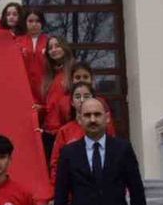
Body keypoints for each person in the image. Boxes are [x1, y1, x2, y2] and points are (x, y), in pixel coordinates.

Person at [49, 82, 117, 187]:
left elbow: (115, 158)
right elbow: (56, 164)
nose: (82, 100)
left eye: (86, 96)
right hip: (74, 190)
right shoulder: (64, 131)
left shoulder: (104, 128)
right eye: (77, 97)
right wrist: (58, 188)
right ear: (72, 102)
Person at [37, 35, 72, 163]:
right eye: (50, 48)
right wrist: (41, 108)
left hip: (66, 131)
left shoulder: (73, 71)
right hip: (49, 131)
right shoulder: (50, 76)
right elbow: (52, 104)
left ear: (64, 47)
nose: (53, 50)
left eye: (57, 46)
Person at [18, 10, 48, 105]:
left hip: (45, 87)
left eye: (37, 21)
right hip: (23, 87)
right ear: (25, 23)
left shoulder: (50, 42)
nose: (34, 24)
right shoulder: (18, 42)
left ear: (42, 23)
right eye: (30, 21)